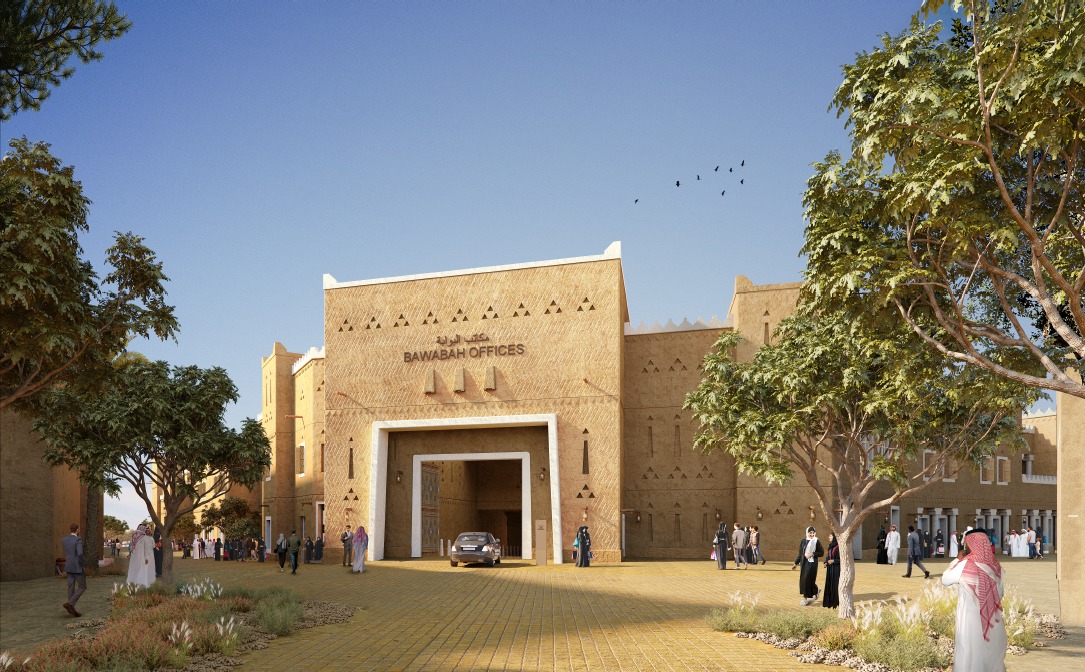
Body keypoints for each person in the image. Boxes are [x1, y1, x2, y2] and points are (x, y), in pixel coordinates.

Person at [941, 528, 1007, 672]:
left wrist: (956, 560)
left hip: (969, 617)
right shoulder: (996, 565)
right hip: (990, 618)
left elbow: (945, 579)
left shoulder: (965, 564)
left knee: (968, 649)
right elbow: (1000, 593)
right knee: (988, 652)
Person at [792, 526, 823, 606]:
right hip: (804, 563)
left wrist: (812, 554)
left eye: (813, 533)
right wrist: (796, 563)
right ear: (807, 533)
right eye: (810, 533)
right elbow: (800, 554)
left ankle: (805, 599)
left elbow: (821, 552)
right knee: (805, 580)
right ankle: (816, 590)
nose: (812, 534)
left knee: (807, 579)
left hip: (812, 563)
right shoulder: (803, 541)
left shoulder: (816, 541)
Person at [61, 523, 86, 618]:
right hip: (77, 566)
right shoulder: (78, 539)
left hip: (69, 565)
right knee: (82, 586)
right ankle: (70, 604)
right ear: (77, 530)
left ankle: (71, 609)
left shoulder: (64, 539)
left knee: (71, 587)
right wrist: (83, 563)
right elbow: (80, 554)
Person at [822, 532, 840, 610]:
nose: (829, 537)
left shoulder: (839, 547)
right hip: (830, 570)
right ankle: (829, 602)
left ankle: (835, 602)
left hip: (836, 570)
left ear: (834, 537)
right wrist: (826, 562)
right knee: (829, 585)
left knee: (835, 586)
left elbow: (842, 560)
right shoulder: (830, 547)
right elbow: (828, 557)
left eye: (830, 536)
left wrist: (833, 561)